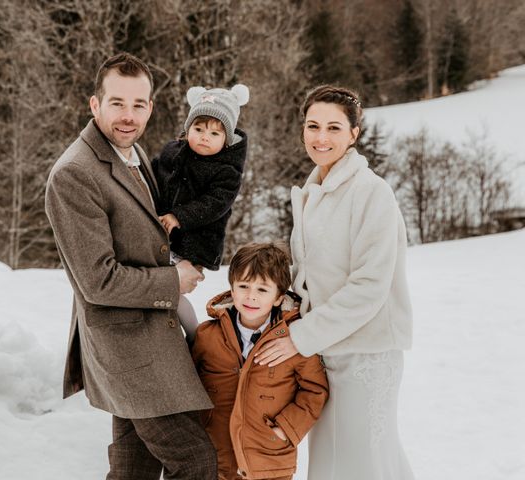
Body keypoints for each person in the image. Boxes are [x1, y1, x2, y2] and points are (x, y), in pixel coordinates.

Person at [44, 53, 217, 480]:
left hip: (149, 341)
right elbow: (98, 280)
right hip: (127, 351)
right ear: (94, 104)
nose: (128, 116)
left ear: (151, 108)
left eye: (139, 104)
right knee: (195, 462)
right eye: (117, 103)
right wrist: (173, 280)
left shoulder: (131, 152)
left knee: (134, 469)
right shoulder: (74, 174)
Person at [253, 85, 414, 480]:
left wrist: (301, 337)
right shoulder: (314, 191)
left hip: (365, 353)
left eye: (333, 128)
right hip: (325, 353)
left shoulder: (371, 193)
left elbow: (369, 287)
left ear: (354, 134)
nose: (321, 138)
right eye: (313, 126)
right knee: (345, 462)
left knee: (361, 463)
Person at [191, 242, 329, 480]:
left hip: (269, 458)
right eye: (243, 286)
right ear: (232, 290)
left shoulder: (293, 341)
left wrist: (285, 429)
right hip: (218, 457)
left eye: (262, 290)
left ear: (278, 298)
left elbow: (315, 390)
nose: (251, 296)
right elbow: (188, 382)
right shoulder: (207, 336)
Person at [152, 84, 249, 341]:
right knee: (161, 287)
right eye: (199, 129)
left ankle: (194, 335)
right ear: (188, 129)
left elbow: (214, 204)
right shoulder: (174, 152)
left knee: (174, 289)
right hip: (167, 235)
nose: (205, 137)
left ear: (226, 140)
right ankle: (167, 332)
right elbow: (156, 170)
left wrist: (178, 216)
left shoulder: (226, 170)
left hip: (197, 241)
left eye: (215, 133)